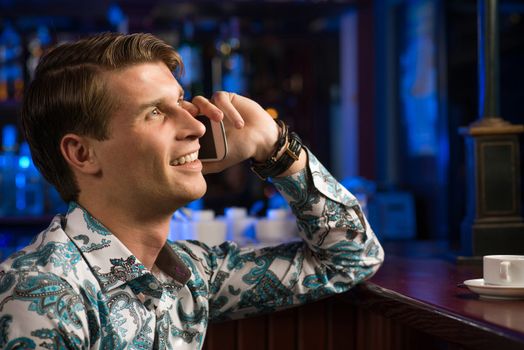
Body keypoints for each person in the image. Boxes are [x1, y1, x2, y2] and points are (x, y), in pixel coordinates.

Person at [0, 32, 384, 349]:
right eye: (155, 112)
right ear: (82, 153)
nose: (197, 127)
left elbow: (350, 258)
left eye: (182, 103)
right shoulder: (39, 294)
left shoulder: (191, 274)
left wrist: (274, 146)